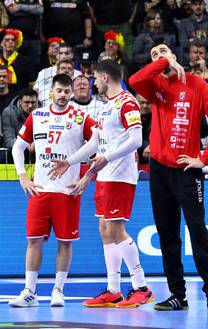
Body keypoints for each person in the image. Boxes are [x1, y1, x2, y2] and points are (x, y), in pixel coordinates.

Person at [129, 42, 208, 311]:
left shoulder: (197, 85)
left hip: (188, 171)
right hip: (159, 170)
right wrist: (163, 64)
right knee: (167, 234)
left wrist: (205, 158)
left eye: (162, 52)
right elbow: (134, 79)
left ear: (175, 55)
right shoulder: (156, 86)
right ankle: (178, 295)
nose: (157, 57)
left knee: (198, 230)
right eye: (152, 55)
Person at [50, 60, 155, 308]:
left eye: (95, 77)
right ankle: (114, 289)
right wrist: (70, 161)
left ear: (105, 77)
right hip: (105, 175)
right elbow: (95, 142)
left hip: (121, 174)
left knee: (117, 231)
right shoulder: (105, 107)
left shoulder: (128, 102)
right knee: (105, 230)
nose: (94, 82)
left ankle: (141, 286)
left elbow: (137, 140)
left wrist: (106, 158)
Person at [8, 74, 97, 308]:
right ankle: (30, 292)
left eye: (67, 92)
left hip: (67, 191)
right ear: (51, 92)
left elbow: (99, 143)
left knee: (65, 242)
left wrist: (87, 176)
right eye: (59, 91)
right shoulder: (37, 116)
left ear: (71, 93)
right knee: (33, 240)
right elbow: (17, 147)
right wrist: (23, 177)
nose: (63, 95)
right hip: (40, 190)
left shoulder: (80, 116)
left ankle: (58, 291)